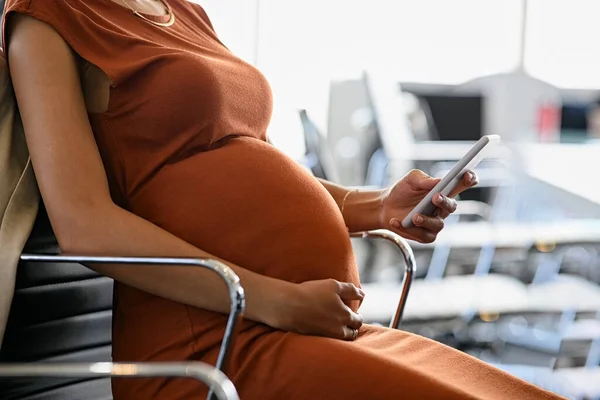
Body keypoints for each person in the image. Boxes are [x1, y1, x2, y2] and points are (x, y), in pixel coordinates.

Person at [3, 1, 563, 399]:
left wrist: (379, 208)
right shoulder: (48, 22)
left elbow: (257, 168)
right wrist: (270, 299)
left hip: (303, 325)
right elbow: (84, 224)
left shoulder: (183, 11)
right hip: (214, 344)